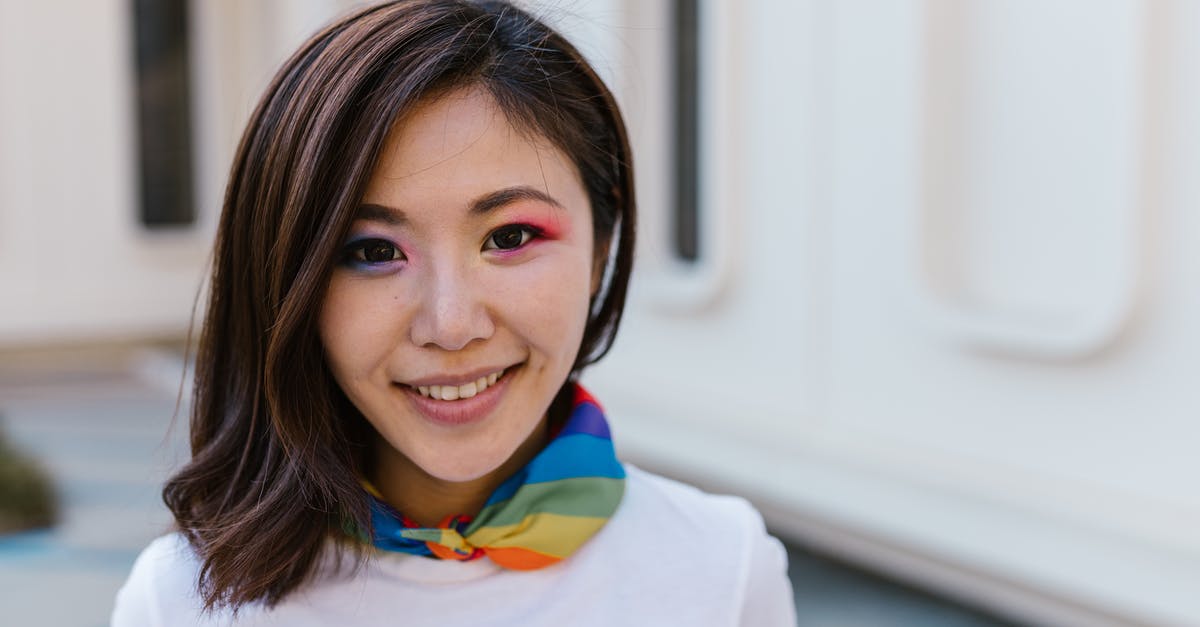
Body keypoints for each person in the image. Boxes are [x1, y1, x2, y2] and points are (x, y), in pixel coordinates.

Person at [111, 1, 796, 624]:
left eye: (510, 237)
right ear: (289, 278)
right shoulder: (181, 602)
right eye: (373, 249)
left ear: (603, 246)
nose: (450, 323)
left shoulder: (722, 567)